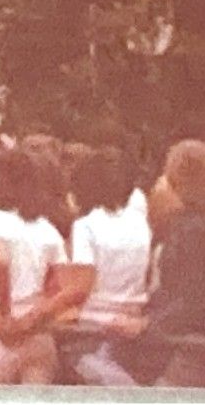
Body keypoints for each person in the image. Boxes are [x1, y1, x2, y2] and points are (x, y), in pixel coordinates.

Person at [0, 142, 75, 383]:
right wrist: (37, 316)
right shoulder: (49, 231)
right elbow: (64, 287)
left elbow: (0, 260)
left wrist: (4, 313)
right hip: (38, 332)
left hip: (3, 333)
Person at [60, 144, 152, 383]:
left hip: (92, 326)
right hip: (133, 322)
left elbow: (80, 286)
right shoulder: (141, 222)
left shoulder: (86, 226)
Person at [140, 137, 205, 386]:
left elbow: (194, 298)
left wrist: (148, 325)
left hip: (186, 347)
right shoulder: (197, 223)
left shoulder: (191, 229)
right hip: (180, 337)